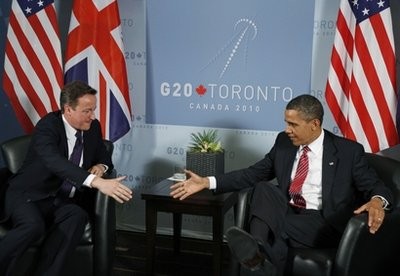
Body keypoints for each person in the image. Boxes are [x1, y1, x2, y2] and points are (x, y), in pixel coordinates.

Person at [170, 94, 392, 276]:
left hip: (322, 221)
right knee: (263, 188)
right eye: (286, 123)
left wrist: (376, 201)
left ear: (314, 124)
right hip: (288, 209)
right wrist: (207, 181)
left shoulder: (347, 151)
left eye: (293, 124)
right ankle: (257, 249)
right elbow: (254, 174)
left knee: (272, 227)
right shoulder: (284, 142)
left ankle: (256, 254)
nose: (287, 129)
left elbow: (376, 186)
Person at [0, 80, 133, 275]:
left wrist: (100, 166)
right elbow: (54, 162)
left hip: (61, 200)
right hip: (28, 195)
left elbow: (103, 153)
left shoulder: (93, 127)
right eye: (87, 111)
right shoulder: (47, 127)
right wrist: (96, 182)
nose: (93, 116)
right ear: (68, 109)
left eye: (94, 109)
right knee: (33, 226)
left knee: (76, 215)